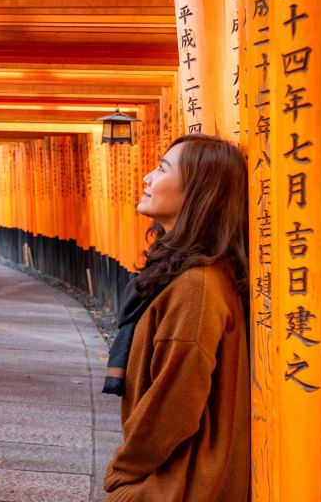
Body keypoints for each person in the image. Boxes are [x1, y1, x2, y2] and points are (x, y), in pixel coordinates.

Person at [102, 133, 250, 501]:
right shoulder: (188, 274)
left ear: (200, 192)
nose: (147, 178)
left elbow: (174, 403)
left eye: (163, 168)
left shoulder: (196, 286)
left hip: (181, 484)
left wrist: (122, 474)